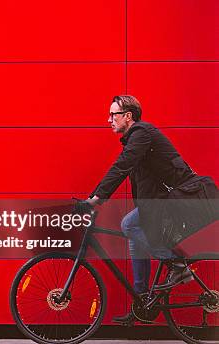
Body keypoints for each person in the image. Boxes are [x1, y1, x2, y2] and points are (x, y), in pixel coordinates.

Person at [79, 95, 196, 325]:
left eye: (113, 114)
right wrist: (94, 197)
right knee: (134, 234)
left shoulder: (142, 133)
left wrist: (97, 198)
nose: (109, 119)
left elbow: (122, 166)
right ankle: (142, 300)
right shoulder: (137, 139)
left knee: (128, 225)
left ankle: (177, 264)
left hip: (179, 199)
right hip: (162, 201)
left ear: (128, 116)